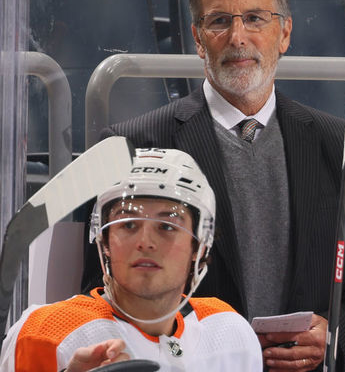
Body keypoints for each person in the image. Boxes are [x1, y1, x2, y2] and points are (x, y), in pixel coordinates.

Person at [96, 0, 345, 371]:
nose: (238, 37)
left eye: (255, 18)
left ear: (285, 32)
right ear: (199, 39)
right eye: (220, 20)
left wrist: (334, 339)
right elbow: (100, 286)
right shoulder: (133, 146)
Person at [0, 148, 262, 371]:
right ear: (104, 243)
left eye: (167, 226)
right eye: (128, 224)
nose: (145, 242)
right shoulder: (46, 332)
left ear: (200, 245)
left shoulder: (228, 329)